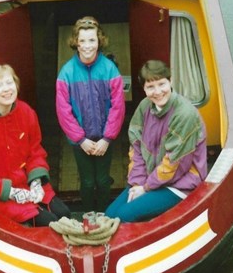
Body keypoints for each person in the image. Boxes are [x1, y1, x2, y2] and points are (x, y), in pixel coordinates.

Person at [0, 65, 71, 227]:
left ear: (16, 85)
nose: (6, 89)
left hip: (27, 184)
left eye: (9, 83)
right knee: (49, 223)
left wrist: (36, 182)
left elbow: (35, 151)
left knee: (64, 213)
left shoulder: (26, 112)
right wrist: (11, 192)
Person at [105, 60, 207, 222]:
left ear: (170, 81)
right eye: (150, 87)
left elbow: (175, 164)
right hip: (149, 177)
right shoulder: (145, 106)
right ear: (144, 88)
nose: (157, 92)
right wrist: (137, 183)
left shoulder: (184, 114)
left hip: (179, 184)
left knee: (124, 215)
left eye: (162, 84)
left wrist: (146, 188)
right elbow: (136, 147)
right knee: (109, 215)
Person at [56, 16, 126, 212]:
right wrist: (80, 139)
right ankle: (88, 215)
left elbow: (117, 106)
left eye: (92, 40)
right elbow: (63, 111)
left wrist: (107, 138)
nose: (87, 46)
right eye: (82, 41)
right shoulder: (66, 73)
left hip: (105, 139)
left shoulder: (110, 69)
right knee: (87, 182)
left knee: (103, 181)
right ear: (75, 43)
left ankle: (104, 216)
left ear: (99, 41)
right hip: (81, 142)